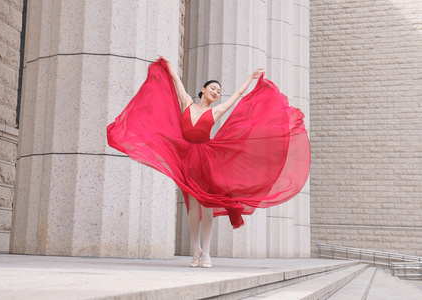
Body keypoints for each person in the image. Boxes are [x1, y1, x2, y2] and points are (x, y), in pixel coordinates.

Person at [107, 56, 310, 268]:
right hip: (186, 159)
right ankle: (195, 252)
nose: (216, 92)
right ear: (203, 90)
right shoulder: (187, 103)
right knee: (192, 206)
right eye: (212, 88)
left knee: (206, 206)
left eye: (218, 91)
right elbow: (176, 80)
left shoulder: (215, 111)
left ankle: (206, 253)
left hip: (205, 160)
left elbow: (238, 96)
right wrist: (166, 65)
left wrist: (251, 78)